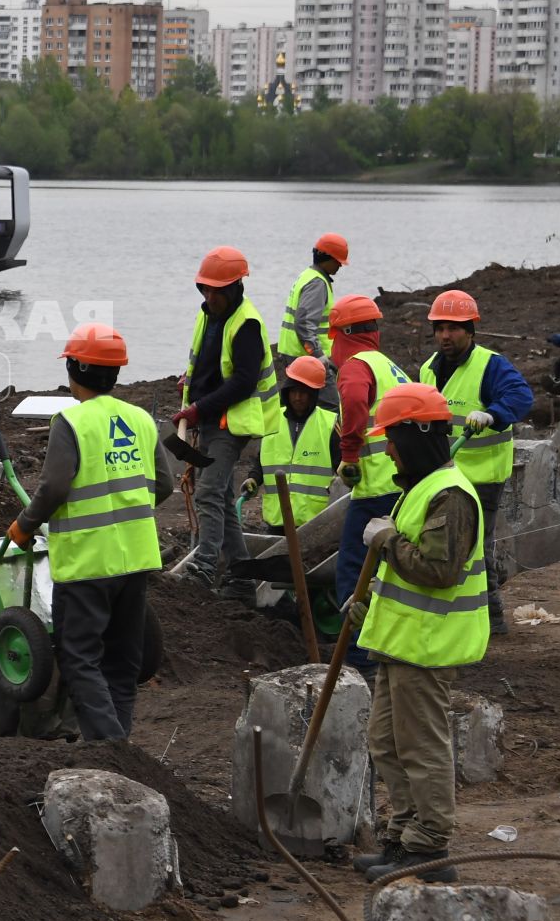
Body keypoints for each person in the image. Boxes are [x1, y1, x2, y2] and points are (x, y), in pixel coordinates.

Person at [7, 323, 174, 741]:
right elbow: (165, 485)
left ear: (76, 370)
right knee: (122, 662)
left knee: (80, 658)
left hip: (86, 564)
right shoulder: (140, 419)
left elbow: (54, 487)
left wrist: (24, 525)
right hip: (135, 560)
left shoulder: (71, 421)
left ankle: (110, 745)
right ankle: (118, 744)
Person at [350, 383, 489, 884]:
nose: (387, 448)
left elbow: (438, 571)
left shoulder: (451, 497)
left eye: (393, 438)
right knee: (385, 743)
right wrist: (365, 603)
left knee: (421, 748)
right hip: (400, 642)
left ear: (417, 435)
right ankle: (403, 838)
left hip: (428, 648)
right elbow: (404, 576)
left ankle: (430, 847)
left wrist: (386, 540)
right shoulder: (420, 487)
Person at [418, 289, 533, 634]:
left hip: (482, 477)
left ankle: (491, 617)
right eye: (440, 328)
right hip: (443, 475)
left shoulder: (490, 365)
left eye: (453, 328)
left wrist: (492, 414)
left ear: (470, 331)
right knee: (444, 545)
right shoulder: (427, 369)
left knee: (476, 546)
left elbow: (521, 396)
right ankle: (455, 615)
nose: (445, 335)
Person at [175, 245, 282, 593]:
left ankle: (205, 567)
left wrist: (198, 409)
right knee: (220, 497)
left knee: (207, 492)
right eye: (205, 289)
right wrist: (191, 384)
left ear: (235, 288)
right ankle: (242, 574)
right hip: (210, 419)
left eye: (216, 291)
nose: (210, 296)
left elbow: (243, 381)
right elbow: (209, 362)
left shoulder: (246, 324)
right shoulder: (208, 315)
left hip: (229, 424)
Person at [330, 294, 410, 673]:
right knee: (392, 572)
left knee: (353, 574)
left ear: (342, 334)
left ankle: (360, 660)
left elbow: (355, 400)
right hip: (403, 489)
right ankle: (392, 648)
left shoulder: (356, 366)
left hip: (374, 491)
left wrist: (348, 454)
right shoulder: (391, 367)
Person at [247, 354, 339, 534]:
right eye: (293, 391)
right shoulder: (273, 420)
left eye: (304, 392)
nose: (298, 397)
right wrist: (253, 479)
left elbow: (341, 467)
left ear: (314, 394)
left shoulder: (329, 424)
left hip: (314, 520)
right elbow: (262, 460)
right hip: (277, 519)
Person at [276, 233, 348, 404]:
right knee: (330, 405)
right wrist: (318, 355)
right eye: (338, 261)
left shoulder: (307, 275)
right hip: (307, 358)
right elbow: (304, 324)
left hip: (294, 353)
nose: (340, 265)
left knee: (298, 405)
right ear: (327, 258)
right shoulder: (317, 283)